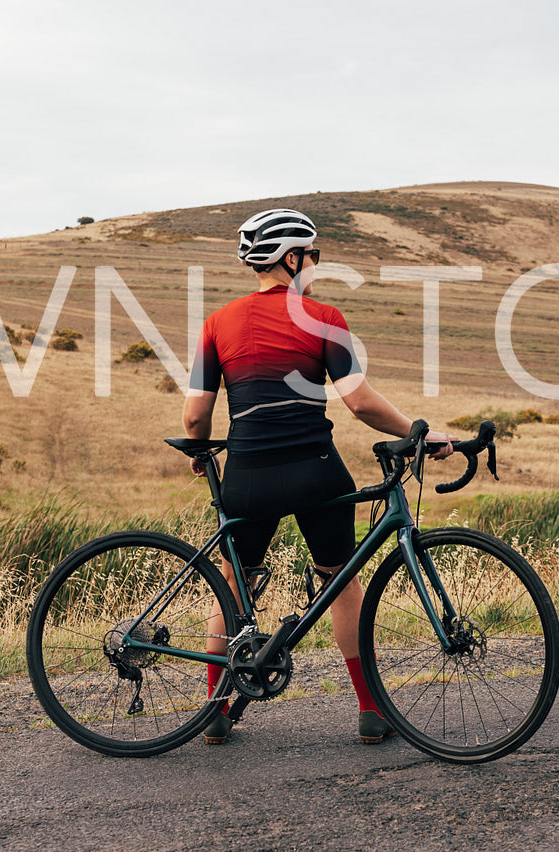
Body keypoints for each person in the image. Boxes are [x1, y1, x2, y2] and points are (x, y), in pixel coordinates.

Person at [181, 207, 452, 745]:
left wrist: (197, 448)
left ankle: (214, 711)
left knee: (234, 582)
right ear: (290, 258)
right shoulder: (323, 317)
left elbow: (195, 415)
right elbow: (359, 402)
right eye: (312, 256)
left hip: (249, 473)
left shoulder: (216, 324)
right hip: (315, 471)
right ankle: (371, 711)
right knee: (340, 581)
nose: (315, 265)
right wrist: (419, 431)